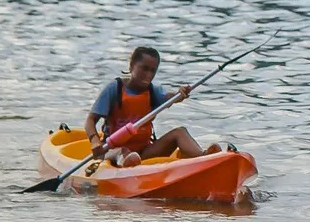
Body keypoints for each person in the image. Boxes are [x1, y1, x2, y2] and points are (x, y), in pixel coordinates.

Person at [83, 46, 220, 168]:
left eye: (153, 71)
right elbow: (90, 120)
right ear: (131, 66)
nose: (148, 75)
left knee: (180, 132)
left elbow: (170, 98)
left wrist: (180, 94)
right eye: (144, 68)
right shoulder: (115, 89)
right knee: (123, 151)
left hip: (144, 152)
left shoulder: (154, 91)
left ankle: (204, 158)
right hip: (113, 151)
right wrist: (95, 141)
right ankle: (127, 162)